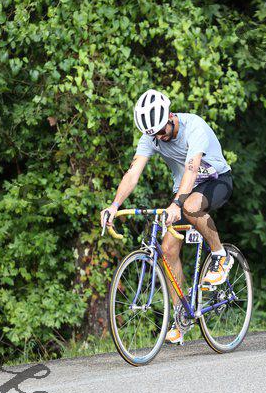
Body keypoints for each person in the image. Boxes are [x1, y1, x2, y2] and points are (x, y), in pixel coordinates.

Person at [100, 89, 234, 344]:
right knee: (168, 249)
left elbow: (192, 170)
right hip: (184, 190)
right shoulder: (151, 137)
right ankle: (182, 313)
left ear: (171, 116)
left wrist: (176, 204)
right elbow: (133, 173)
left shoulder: (194, 126)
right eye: (154, 135)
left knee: (190, 207)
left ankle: (221, 256)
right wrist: (114, 205)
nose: (159, 137)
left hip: (216, 181)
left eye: (162, 131)